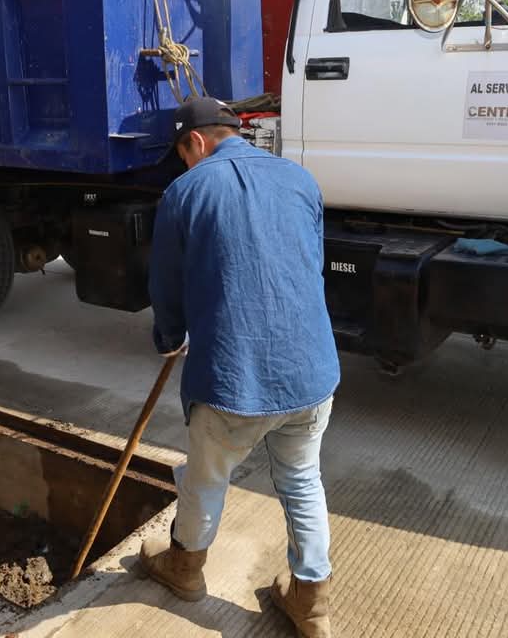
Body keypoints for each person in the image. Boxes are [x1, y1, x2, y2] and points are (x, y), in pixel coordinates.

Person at [140, 97, 340, 638]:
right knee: (301, 479)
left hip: (235, 378)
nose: (184, 164)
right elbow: (307, 265)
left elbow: (167, 286)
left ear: (196, 142)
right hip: (312, 371)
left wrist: (170, 336)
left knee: (206, 479)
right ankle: (311, 603)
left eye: (182, 153)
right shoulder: (301, 180)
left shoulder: (185, 191)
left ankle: (184, 570)